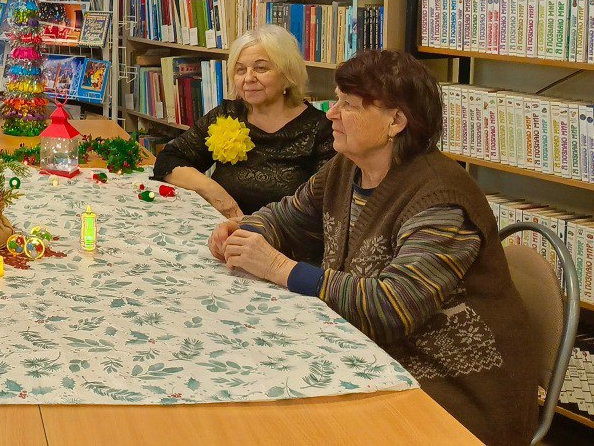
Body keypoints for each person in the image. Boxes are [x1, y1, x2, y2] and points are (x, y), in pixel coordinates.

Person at [208, 49, 537, 446]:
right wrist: (243, 232)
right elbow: (287, 216)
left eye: (348, 105)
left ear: (395, 121)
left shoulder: (441, 201)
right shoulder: (348, 166)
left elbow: (391, 308)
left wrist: (279, 267)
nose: (331, 114)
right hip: (370, 357)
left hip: (452, 392)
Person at [152, 25, 334, 218]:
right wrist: (215, 193)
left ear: (288, 74)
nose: (248, 78)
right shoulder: (227, 114)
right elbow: (169, 160)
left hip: (281, 235)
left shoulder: (321, 130)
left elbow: (322, 207)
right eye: (240, 70)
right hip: (221, 229)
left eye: (260, 68)